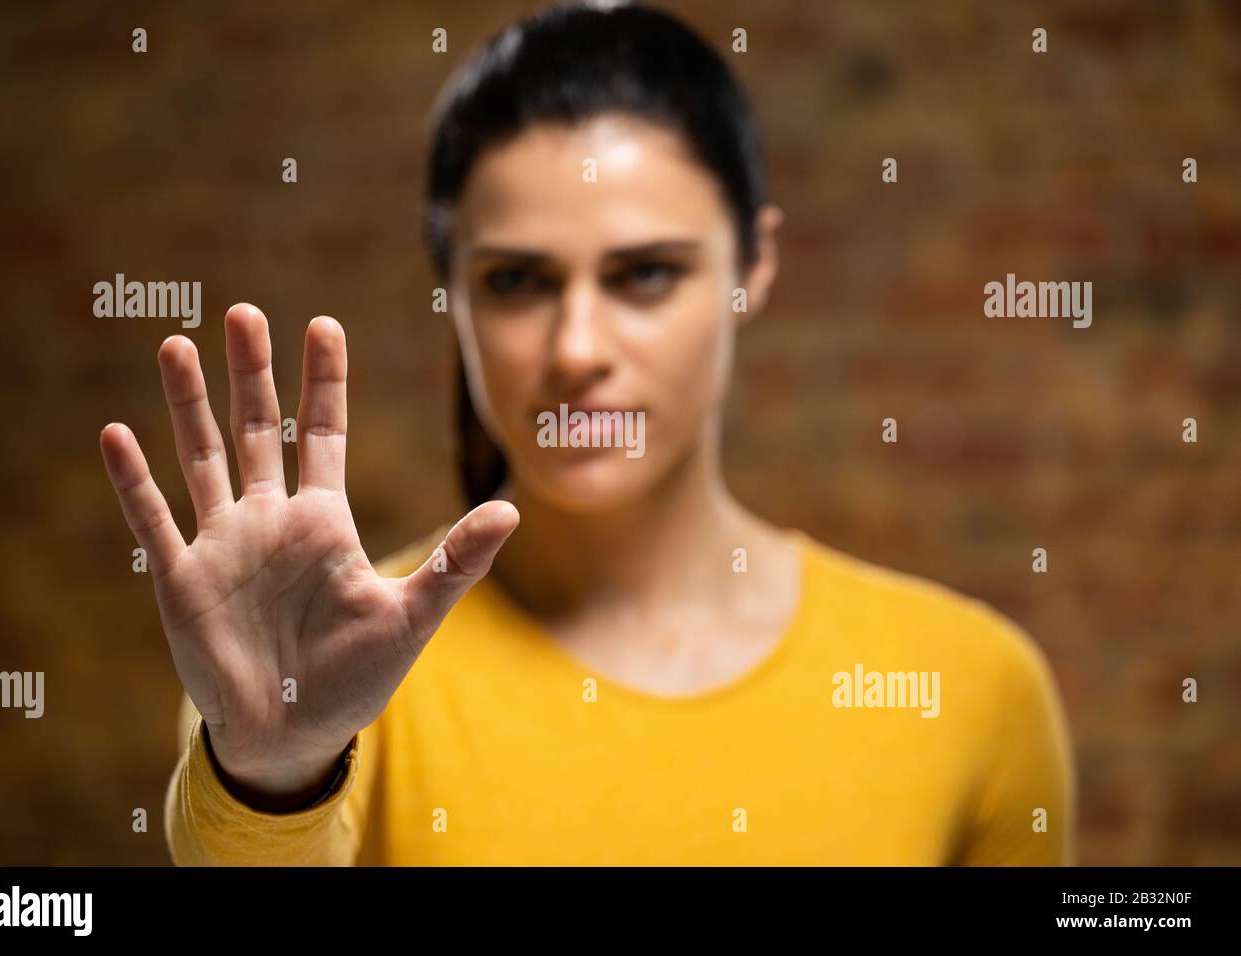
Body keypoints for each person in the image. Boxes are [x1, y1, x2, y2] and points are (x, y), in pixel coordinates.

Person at [99, 0, 1076, 865]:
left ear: (754, 263)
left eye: (645, 272)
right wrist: (271, 767)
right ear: (452, 295)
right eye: (517, 280)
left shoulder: (967, 688)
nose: (575, 347)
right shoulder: (324, 673)